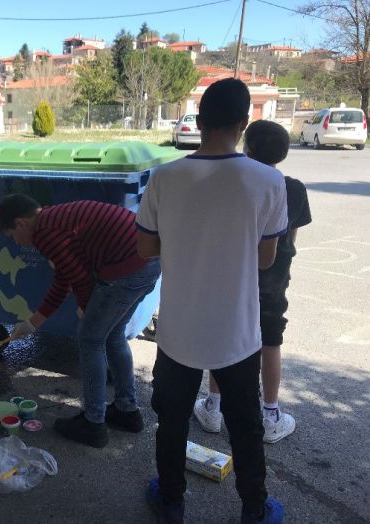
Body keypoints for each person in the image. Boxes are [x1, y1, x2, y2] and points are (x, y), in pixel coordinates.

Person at [136, 78, 288, 523]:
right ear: (244, 124)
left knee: (172, 420)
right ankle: (254, 510)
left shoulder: (165, 177)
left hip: (179, 331)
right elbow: (265, 258)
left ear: (198, 123)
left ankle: (170, 500)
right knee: (246, 426)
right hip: (237, 332)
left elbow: (145, 249)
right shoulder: (267, 181)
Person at [0, 195, 161, 448]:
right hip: (147, 262)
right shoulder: (51, 219)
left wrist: (85, 308)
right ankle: (127, 411)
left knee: (90, 339)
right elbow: (65, 276)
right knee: (113, 335)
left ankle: (93, 423)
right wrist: (33, 322)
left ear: (20, 223)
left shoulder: (45, 231)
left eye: (11, 236)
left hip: (127, 267)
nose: (15, 242)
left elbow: (81, 280)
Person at [193, 119, 311, 444]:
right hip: (273, 282)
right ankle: (270, 414)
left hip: (233, 278)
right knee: (271, 342)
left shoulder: (236, 183)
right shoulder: (294, 188)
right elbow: (291, 238)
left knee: (224, 338)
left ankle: (213, 407)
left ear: (248, 148)